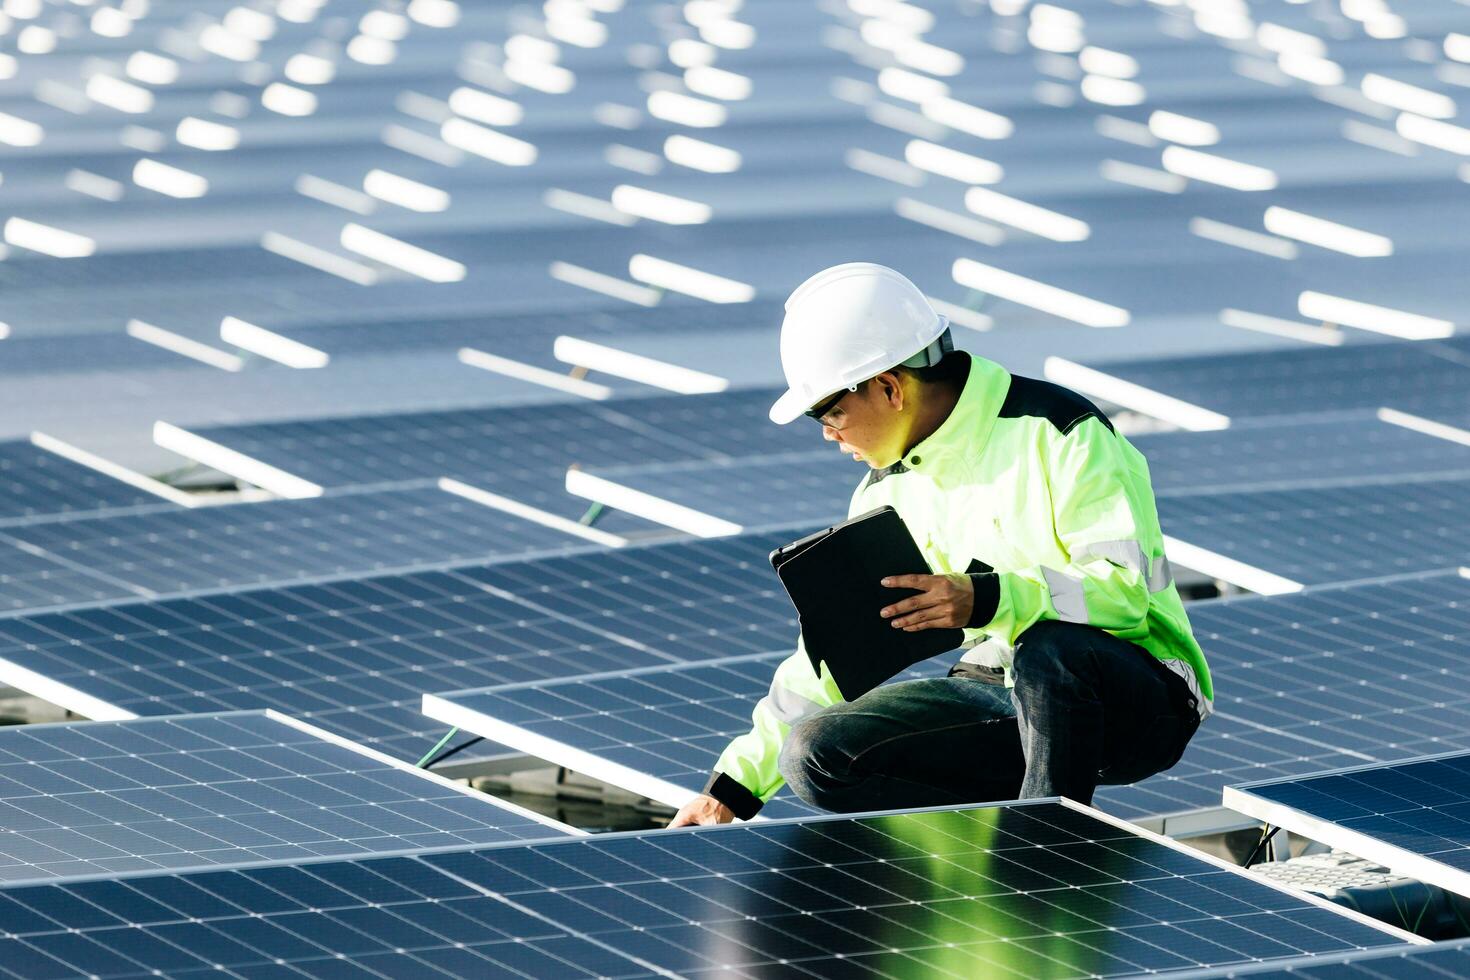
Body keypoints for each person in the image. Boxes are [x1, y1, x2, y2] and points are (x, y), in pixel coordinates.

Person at [669, 262, 1212, 827]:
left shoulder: (1061, 431)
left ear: (888, 387)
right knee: (816, 755)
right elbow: (830, 658)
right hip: (995, 692)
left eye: (829, 413)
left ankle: (1044, 854)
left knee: (1050, 650)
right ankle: (962, 878)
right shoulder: (883, 497)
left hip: (1137, 695)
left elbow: (1122, 595)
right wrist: (730, 789)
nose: (828, 435)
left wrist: (989, 599)